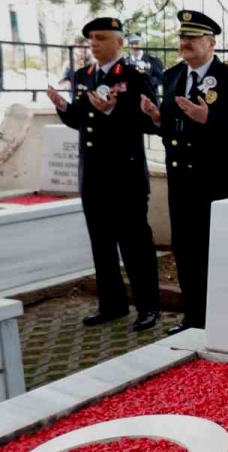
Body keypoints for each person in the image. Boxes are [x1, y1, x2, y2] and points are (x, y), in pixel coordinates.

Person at [45, 17, 161, 332]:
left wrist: (112, 111)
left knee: (135, 244)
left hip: (124, 175)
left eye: (101, 38)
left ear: (119, 42)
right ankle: (112, 304)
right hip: (93, 174)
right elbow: (80, 120)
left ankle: (148, 307)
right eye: (91, 39)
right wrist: (63, 107)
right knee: (101, 242)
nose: (94, 44)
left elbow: (149, 121)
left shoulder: (134, 76)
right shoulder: (84, 76)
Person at [140, 10, 228, 336]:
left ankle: (223, 320)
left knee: (218, 251)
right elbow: (173, 128)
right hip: (181, 183)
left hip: (216, 181)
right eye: (182, 37)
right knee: (186, 249)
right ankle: (194, 317)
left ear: (211, 42)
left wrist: (208, 119)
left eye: (192, 37)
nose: (184, 42)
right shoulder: (174, 75)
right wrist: (157, 118)